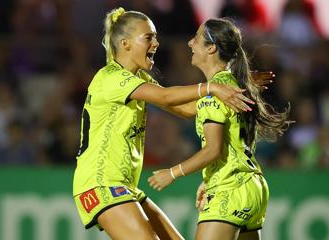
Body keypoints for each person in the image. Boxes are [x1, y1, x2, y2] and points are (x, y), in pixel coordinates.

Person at [72, 7, 262, 240]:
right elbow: (166, 97)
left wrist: (233, 89)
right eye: (148, 37)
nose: (156, 43)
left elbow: (185, 110)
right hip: (100, 185)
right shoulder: (110, 78)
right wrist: (211, 87)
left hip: (124, 186)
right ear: (125, 44)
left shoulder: (138, 79)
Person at [148, 18, 291, 240]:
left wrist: (173, 173)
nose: (189, 43)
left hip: (229, 189)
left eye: (196, 38)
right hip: (253, 187)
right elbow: (188, 110)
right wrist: (209, 179)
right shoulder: (231, 87)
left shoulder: (215, 94)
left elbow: (213, 149)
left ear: (211, 47)